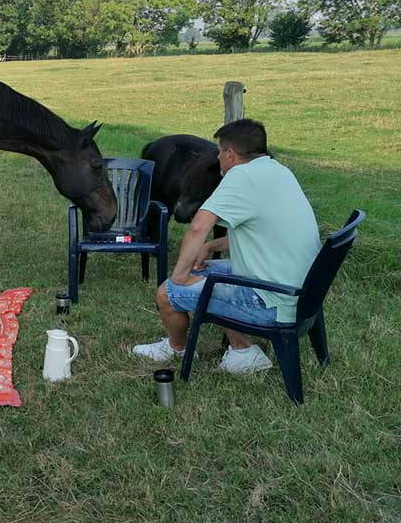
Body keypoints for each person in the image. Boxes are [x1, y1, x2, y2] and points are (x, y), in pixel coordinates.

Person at [131, 119, 320, 373]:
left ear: (231, 154)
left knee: (167, 293)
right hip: (301, 291)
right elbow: (265, 232)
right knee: (214, 273)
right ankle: (242, 351)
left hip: (274, 303)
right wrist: (211, 247)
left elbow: (198, 226)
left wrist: (179, 277)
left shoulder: (240, 175)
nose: (218, 157)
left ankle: (177, 350)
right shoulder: (279, 171)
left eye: (220, 151)